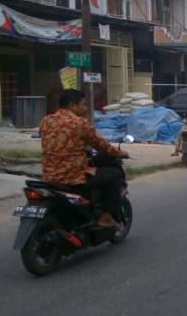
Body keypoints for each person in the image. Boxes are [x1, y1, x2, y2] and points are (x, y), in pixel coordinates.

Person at [39, 89, 129, 229]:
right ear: (72, 105)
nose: (86, 108)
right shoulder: (80, 123)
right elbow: (101, 145)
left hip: (49, 176)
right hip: (73, 177)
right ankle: (105, 217)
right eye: (83, 104)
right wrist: (119, 153)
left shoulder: (46, 120)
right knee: (114, 175)